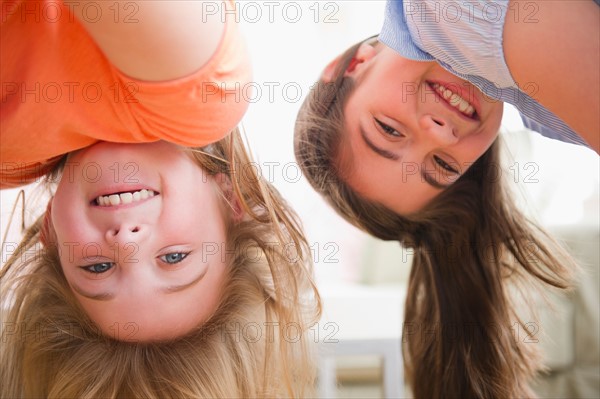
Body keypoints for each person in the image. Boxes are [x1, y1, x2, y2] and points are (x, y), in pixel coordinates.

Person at [1, 0, 320, 396]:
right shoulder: (202, 91)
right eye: (174, 258)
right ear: (230, 201)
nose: (127, 241)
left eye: (97, 267)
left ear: (51, 230)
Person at [294, 0, 597, 397]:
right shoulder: (547, 115)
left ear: (351, 65)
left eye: (388, 129)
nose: (439, 134)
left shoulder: (443, 15)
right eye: (442, 165)